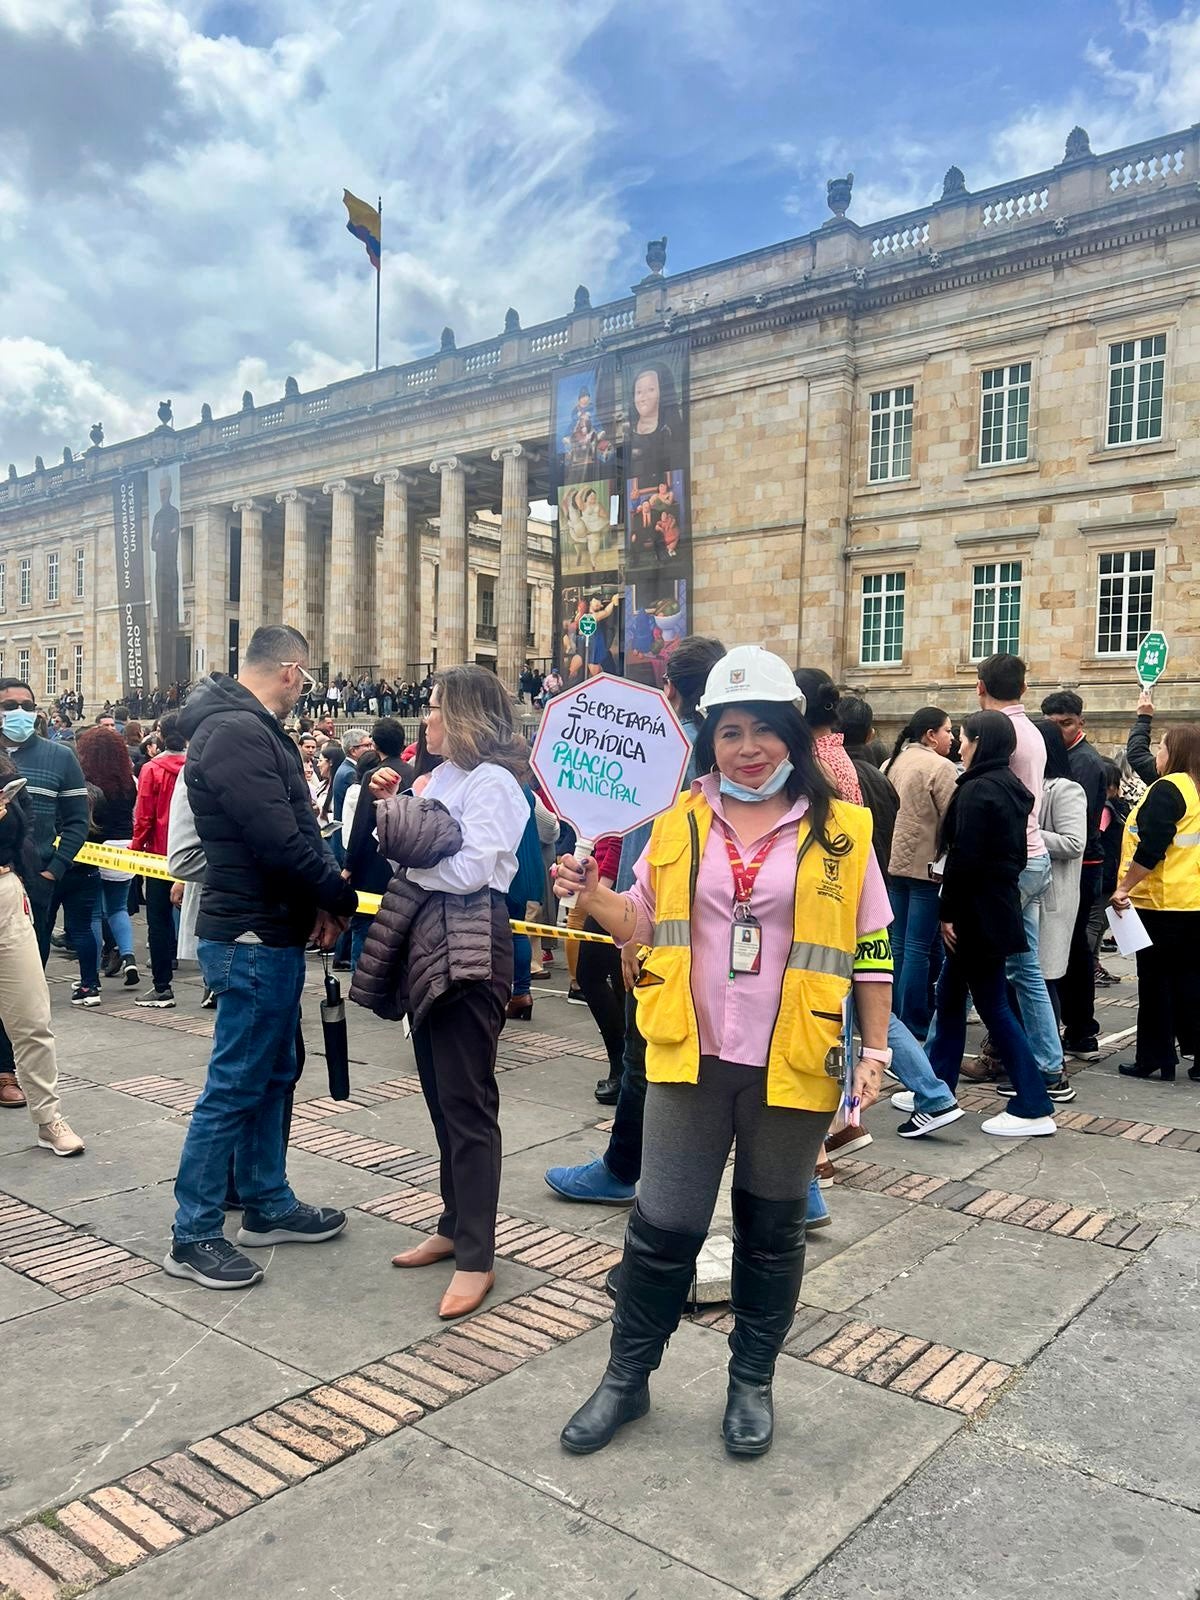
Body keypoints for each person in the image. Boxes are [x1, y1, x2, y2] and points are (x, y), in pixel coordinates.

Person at [551, 646, 893, 1457]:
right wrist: (593, 895)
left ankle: (751, 1384)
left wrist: (876, 1051)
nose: (749, 748)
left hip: (795, 1061)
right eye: (730, 731)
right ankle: (626, 1380)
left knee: (771, 1234)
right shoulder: (677, 822)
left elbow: (872, 948)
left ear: (791, 735)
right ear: (710, 740)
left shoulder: (843, 830)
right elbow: (640, 922)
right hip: (688, 1059)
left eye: (764, 730)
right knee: (662, 1227)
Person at [166, 626, 357, 1290]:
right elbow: (280, 839)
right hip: (249, 933)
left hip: (267, 929)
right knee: (234, 1085)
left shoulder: (244, 728)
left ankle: (266, 1200)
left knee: (273, 1072)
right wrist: (338, 896)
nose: (305, 690)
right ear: (291, 670)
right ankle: (193, 1233)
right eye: (307, 679)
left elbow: (295, 829)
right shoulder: (237, 731)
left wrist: (321, 900)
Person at [353, 666, 529, 1321]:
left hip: (470, 943)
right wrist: (403, 819)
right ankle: (455, 1226)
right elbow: (399, 849)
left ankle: (477, 1256)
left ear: (465, 716)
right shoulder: (443, 777)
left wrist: (412, 848)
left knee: (467, 1103)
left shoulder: (496, 783)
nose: (426, 717)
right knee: (440, 1096)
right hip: (429, 938)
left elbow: (470, 871)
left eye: (434, 707)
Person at [544, 634, 727, 1207]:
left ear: (670, 686)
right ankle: (800, 1183)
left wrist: (630, 933)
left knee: (644, 1050)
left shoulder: (671, 750)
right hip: (729, 931)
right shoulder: (727, 751)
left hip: (667, 930)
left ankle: (622, 1168)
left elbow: (650, 847)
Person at [927, 711, 1056, 1138]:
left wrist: (949, 912)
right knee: (950, 998)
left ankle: (1033, 1101)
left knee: (993, 1005)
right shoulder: (1010, 787)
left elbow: (964, 859)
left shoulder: (978, 789)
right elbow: (1012, 856)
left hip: (975, 914)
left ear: (980, 742)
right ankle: (935, 1088)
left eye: (964, 738)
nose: (959, 745)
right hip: (995, 907)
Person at [966, 656, 1068, 1097]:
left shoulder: (997, 733)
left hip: (1010, 861)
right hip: (1030, 855)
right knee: (1023, 968)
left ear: (979, 686)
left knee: (976, 965)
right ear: (1024, 688)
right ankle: (1043, 1064)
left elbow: (985, 799)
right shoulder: (1032, 731)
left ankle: (1033, 1064)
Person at [0, 678, 90, 1104]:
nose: (18, 712)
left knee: (22, 987)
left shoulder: (59, 756)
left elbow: (77, 820)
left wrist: (54, 869)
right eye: (8, 705)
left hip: (32, 888)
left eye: (26, 705)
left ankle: (6, 1070)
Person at [0, 757, 84, 1155]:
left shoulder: (7, 774)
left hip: (7, 897)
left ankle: (49, 1119)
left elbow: (26, 832)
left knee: (32, 1018)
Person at [1112, 724, 1200, 1081]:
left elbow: (1152, 847)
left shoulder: (1168, 789)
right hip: (1192, 900)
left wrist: (1124, 888)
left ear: (1174, 752)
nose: (1156, 755)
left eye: (1160, 748)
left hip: (1161, 902)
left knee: (1155, 982)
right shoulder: (1195, 788)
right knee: (1190, 980)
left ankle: (1154, 1056)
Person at [1040, 690, 1107, 1068]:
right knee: (1063, 945)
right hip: (1068, 862)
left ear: (1080, 722)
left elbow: (1076, 834)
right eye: (1052, 726)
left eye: (1065, 724)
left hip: (1083, 865)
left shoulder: (1084, 763)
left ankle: (1081, 1029)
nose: (1058, 732)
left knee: (1074, 946)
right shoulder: (1065, 759)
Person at [883, 708, 957, 1041]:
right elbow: (952, 818)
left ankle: (894, 1013)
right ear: (930, 735)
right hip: (927, 865)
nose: (951, 737)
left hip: (894, 862)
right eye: (947, 731)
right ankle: (913, 1019)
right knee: (917, 947)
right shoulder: (940, 767)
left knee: (898, 943)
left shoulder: (891, 762)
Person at [1030, 718, 1086, 1037]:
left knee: (1043, 979)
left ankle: (1049, 1053)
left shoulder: (1065, 789)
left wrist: (1028, 833)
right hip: (1028, 896)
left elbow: (1074, 843)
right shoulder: (1029, 782)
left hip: (1052, 898)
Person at [76, 726, 140, 992]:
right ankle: (128, 957)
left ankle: (91, 974)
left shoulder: (86, 782)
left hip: (95, 849)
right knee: (118, 908)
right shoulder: (130, 781)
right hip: (125, 847)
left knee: (92, 913)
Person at [131, 711, 187, 1008]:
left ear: (160, 735)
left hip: (159, 853)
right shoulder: (197, 765)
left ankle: (162, 985)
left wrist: (136, 847)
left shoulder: (152, 769)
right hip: (194, 853)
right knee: (202, 919)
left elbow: (145, 816)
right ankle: (213, 986)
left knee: (159, 920)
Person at [1126, 686, 1160, 786]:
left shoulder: (1168, 777)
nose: (1158, 754)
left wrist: (1144, 718)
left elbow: (1137, 754)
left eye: (1161, 748)